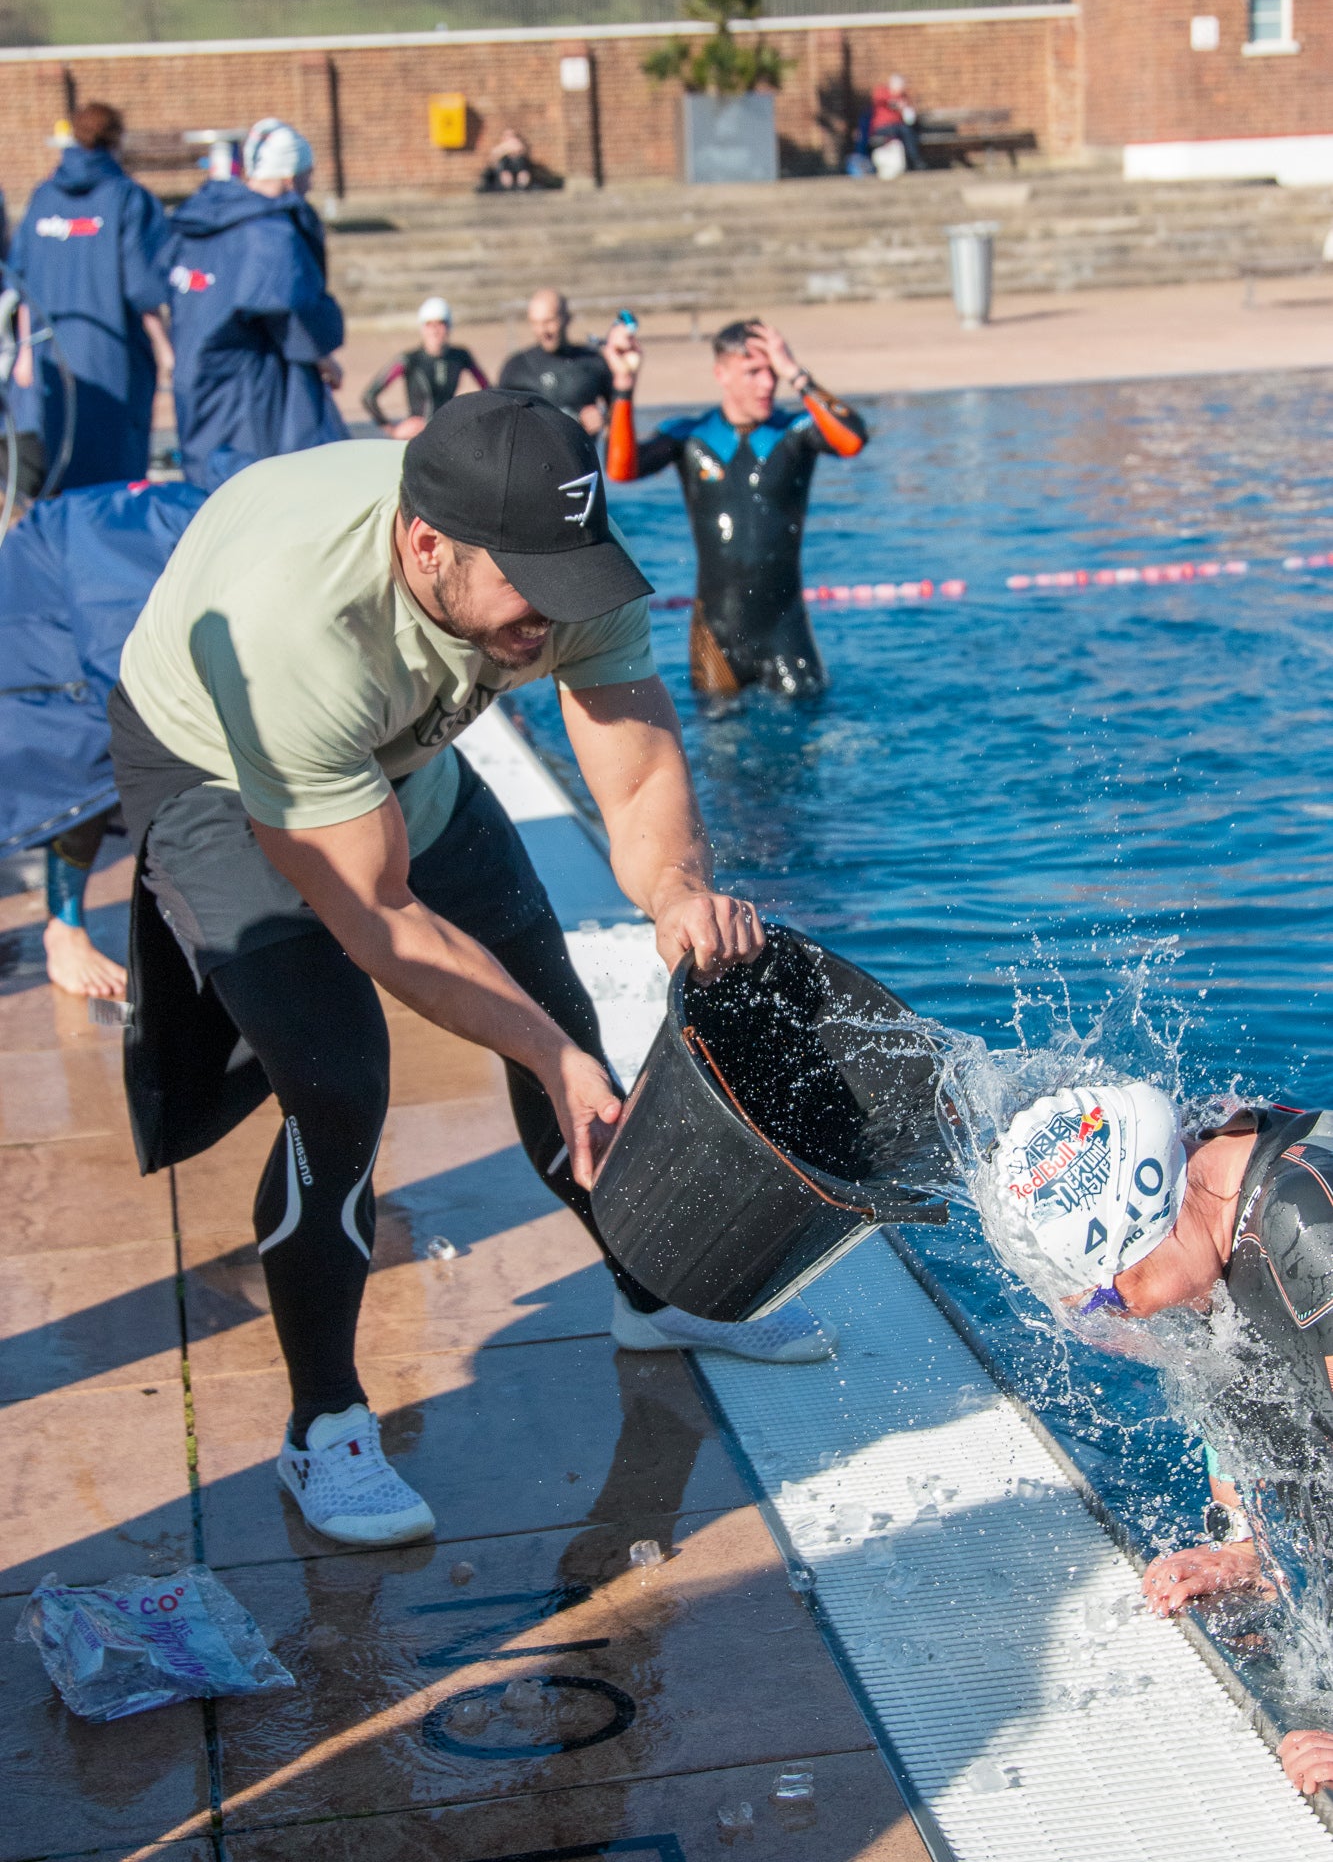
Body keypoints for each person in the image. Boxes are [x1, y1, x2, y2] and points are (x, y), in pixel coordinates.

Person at [109, 391, 836, 1554]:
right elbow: (383, 917)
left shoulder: (554, 569)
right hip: (220, 766)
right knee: (338, 1073)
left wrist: (676, 891)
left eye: (571, 583)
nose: (553, 620)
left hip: (392, 754)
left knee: (560, 1010)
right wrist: (544, 1060)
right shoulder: (297, 622)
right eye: (530, 591)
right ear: (423, 544)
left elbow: (641, 780)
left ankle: (653, 1294)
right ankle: (325, 1421)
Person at [985, 1082, 1333, 1798]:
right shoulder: (1214, 1206)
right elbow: (1248, 1408)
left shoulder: (1310, 1226)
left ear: (1150, 1223)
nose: (1115, 1331)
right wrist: (1254, 1555)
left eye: (1109, 1300)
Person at [0, 475, 206, 997]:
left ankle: (66, 926)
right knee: (78, 747)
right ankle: (65, 928)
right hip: (70, 580)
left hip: (104, 559)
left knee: (93, 743)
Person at [605, 317, 868, 697]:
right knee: (716, 745)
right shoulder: (690, 436)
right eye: (753, 372)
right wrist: (624, 386)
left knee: (807, 735)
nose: (768, 383)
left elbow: (853, 440)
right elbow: (620, 469)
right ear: (721, 374)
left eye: (772, 372)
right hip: (717, 635)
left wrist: (795, 372)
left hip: (785, 629)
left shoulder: (795, 432)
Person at [165, 118, 346, 488]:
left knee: (208, 493)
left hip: (197, 381)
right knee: (259, 494)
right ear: (290, 177)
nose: (309, 187)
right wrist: (324, 356)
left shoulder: (201, 223)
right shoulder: (270, 234)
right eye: (308, 176)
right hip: (249, 392)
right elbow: (293, 316)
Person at [6, 101, 173, 491]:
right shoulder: (127, 198)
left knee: (63, 461)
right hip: (113, 356)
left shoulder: (43, 197)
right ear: (116, 141)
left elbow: (21, 282)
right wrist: (165, 347)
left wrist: (26, 354)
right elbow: (143, 286)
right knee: (115, 469)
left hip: (53, 356)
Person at [361, 296, 489, 440]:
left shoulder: (460, 356)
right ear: (422, 328)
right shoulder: (409, 359)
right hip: (417, 439)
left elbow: (490, 390)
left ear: (449, 326)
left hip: (449, 436)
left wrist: (471, 418)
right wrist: (392, 430)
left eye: (441, 323)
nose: (435, 330)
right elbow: (368, 397)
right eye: (429, 324)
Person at [499, 289, 614, 436]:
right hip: (536, 455)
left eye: (549, 321)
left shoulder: (593, 361)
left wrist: (603, 417)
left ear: (567, 318)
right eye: (536, 323)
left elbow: (619, 411)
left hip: (581, 454)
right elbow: (499, 424)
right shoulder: (516, 368)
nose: (543, 330)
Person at [849, 78, 924, 178]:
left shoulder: (903, 97)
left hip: (898, 127)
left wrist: (905, 108)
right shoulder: (882, 92)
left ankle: (914, 160)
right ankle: (914, 161)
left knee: (907, 132)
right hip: (882, 127)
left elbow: (909, 117)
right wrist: (897, 104)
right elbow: (882, 100)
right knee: (904, 131)